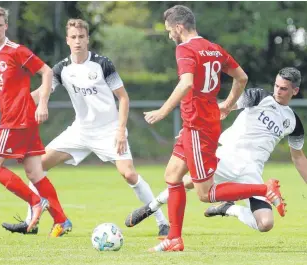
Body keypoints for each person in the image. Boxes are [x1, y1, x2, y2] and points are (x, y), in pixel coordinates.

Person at [1, 18, 170, 237]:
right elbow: (43, 92)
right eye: (73, 37)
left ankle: (162, 221)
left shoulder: (102, 64)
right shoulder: (62, 68)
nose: (78, 41)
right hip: (80, 131)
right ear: (67, 40)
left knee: (128, 174)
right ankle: (30, 223)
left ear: (87, 39)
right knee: (37, 167)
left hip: (109, 130)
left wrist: (120, 130)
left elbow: (124, 99)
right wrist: (16, 103)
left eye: (81, 37)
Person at [141, 5, 286, 252]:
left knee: (205, 194)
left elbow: (186, 83)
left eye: (169, 31)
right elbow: (241, 77)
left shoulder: (184, 49)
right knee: (172, 177)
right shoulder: (213, 49)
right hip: (196, 125)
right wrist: (227, 105)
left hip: (199, 127)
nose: (169, 36)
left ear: (179, 27)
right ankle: (174, 238)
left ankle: (265, 189)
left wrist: (163, 111)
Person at [126, 67, 306, 233]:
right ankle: (152, 207)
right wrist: (194, 125)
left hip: (252, 172)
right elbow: (225, 105)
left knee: (265, 224)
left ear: (295, 91)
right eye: (276, 85)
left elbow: (298, 158)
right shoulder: (259, 97)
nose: (277, 91)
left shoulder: (294, 123)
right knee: (188, 182)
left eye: (283, 88)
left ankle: (228, 208)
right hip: (227, 156)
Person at [0, 5, 69, 235]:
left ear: (6, 26)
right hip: (19, 120)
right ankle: (61, 220)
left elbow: (46, 72)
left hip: (18, 118)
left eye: (0, 25)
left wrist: (42, 102)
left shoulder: (16, 51)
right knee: (35, 173)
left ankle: (35, 202)